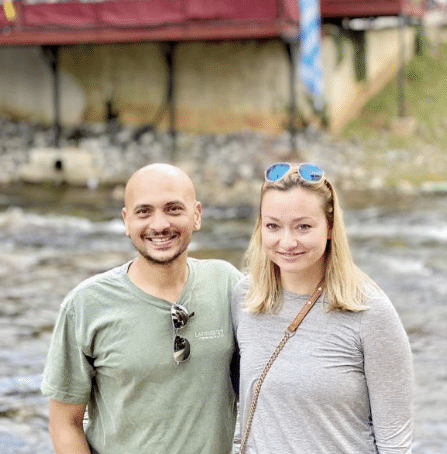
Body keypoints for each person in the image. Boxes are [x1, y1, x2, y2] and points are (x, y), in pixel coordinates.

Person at [41, 163, 242, 454]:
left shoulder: (227, 284)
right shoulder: (85, 305)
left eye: (173, 209)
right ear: (126, 221)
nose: (159, 225)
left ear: (196, 215)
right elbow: (64, 423)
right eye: (144, 211)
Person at [232, 162, 414, 454]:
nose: (287, 242)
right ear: (260, 227)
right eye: (273, 226)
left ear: (329, 227)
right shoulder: (245, 298)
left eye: (303, 226)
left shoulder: (369, 311)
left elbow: (395, 443)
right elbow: (243, 410)